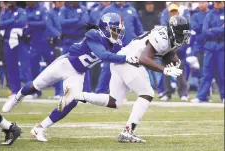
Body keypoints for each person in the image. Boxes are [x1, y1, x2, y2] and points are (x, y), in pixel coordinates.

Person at [2, 13, 139, 141]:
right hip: (64, 64)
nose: (118, 33)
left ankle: (40, 128)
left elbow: (124, 51)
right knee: (35, 86)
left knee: (72, 101)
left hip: (78, 73)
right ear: (106, 28)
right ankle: (16, 98)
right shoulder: (94, 34)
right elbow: (104, 55)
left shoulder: (114, 44)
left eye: (119, 30)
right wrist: (126, 58)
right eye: (115, 29)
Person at [59, 15, 190, 143]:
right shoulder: (162, 37)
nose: (183, 37)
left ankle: (76, 95)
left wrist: (174, 60)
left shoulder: (168, 36)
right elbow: (144, 58)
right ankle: (128, 131)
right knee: (147, 93)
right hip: (129, 60)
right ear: (173, 31)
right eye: (181, 34)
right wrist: (164, 69)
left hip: (121, 60)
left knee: (114, 101)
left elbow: (166, 51)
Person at [95, 2, 144, 93]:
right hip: (112, 46)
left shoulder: (132, 10)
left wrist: (141, 41)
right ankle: (100, 92)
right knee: (107, 69)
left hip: (128, 46)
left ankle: (118, 94)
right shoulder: (108, 9)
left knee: (126, 70)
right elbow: (99, 26)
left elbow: (138, 29)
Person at [191, 2, 224, 103]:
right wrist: (219, 30)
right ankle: (201, 96)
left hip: (222, 47)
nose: (216, 4)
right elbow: (204, 31)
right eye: (215, 2)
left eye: (219, 2)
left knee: (222, 73)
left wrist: (212, 30)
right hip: (209, 47)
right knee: (206, 73)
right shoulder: (209, 14)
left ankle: (223, 96)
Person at [0, 2, 30, 98]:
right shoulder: (4, 13)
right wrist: (12, 20)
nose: (9, 3)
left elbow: (22, 22)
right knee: (11, 67)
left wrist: (8, 23)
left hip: (20, 41)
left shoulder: (20, 11)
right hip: (8, 41)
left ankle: (29, 90)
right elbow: (0, 25)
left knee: (25, 66)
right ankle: (15, 91)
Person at [59, 2, 92, 93]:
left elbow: (84, 22)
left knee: (84, 64)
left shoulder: (83, 9)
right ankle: (63, 92)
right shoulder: (64, 9)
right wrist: (76, 19)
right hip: (67, 41)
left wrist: (69, 22)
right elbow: (61, 22)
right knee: (64, 65)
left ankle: (86, 91)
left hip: (80, 40)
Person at [160, 3, 189, 102]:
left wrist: (179, 49)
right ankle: (168, 93)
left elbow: (186, 38)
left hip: (179, 52)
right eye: (171, 12)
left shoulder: (183, 23)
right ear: (169, 13)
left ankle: (183, 94)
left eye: (175, 11)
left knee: (180, 73)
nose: (173, 13)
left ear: (178, 12)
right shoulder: (165, 25)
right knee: (167, 72)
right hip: (167, 51)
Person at [25, 2, 56, 98]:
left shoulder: (42, 9)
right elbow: (23, 23)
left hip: (45, 42)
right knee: (33, 67)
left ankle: (59, 92)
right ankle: (35, 91)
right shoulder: (26, 10)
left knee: (53, 68)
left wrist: (30, 23)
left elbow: (44, 23)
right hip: (34, 43)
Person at [46, 1, 64, 98]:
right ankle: (58, 92)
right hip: (56, 43)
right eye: (58, 1)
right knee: (57, 68)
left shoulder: (67, 11)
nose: (60, 3)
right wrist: (58, 35)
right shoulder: (51, 13)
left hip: (69, 41)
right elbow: (49, 26)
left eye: (62, 1)